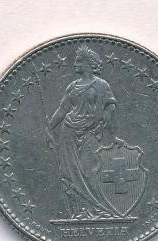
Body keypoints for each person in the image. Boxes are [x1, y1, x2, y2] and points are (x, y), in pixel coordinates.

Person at [46, 45, 117, 220]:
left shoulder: (102, 85)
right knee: (69, 172)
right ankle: (79, 211)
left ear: (89, 64)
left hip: (90, 132)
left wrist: (109, 130)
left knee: (90, 169)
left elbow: (110, 107)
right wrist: (49, 127)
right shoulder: (72, 86)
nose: (75, 64)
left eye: (79, 61)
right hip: (68, 132)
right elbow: (62, 109)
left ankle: (99, 209)